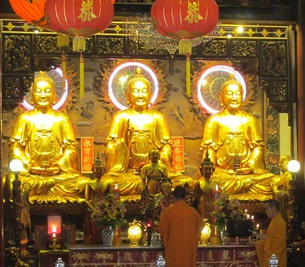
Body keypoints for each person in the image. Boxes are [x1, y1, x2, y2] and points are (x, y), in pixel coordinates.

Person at [104, 68, 189, 198]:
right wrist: (122, 146)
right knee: (110, 184)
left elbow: (166, 147)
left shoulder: (157, 117)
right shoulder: (121, 117)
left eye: (144, 91)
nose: (140, 95)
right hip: (127, 172)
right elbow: (111, 146)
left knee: (184, 182)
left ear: (150, 94)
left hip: (155, 173)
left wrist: (157, 166)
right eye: (136, 91)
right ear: (128, 95)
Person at [7, 72, 88, 201]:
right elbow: (15, 149)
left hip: (57, 175)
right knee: (11, 184)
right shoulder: (25, 119)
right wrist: (28, 164)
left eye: (47, 91)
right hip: (31, 175)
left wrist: (59, 164)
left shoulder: (62, 119)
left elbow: (70, 149)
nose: (43, 95)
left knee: (84, 185)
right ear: (32, 95)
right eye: (38, 91)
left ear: (54, 95)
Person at [200, 74, 277, 200]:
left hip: (246, 174)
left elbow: (257, 148)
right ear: (221, 96)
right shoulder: (214, 120)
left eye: (238, 94)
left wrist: (250, 166)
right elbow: (209, 150)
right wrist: (209, 172)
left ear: (243, 96)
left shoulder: (249, 120)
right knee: (209, 184)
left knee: (274, 181)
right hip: (223, 174)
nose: (235, 97)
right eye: (230, 93)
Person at [158, 186, 204, 267]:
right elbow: (199, 230)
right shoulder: (193, 212)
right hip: (188, 250)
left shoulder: (168, 212)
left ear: (173, 197)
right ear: (186, 197)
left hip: (173, 250)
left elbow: (162, 230)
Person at [253, 199, 288, 267]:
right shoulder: (274, 221)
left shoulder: (280, 222)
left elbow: (279, 243)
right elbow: (271, 240)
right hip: (272, 256)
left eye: (267, 209)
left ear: (273, 208)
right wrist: (257, 242)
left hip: (277, 257)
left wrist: (263, 238)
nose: (266, 211)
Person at [84, 157, 112, 244]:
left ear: (104, 170)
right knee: (93, 226)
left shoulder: (108, 182)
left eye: (100, 169)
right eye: (96, 169)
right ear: (92, 170)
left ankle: (106, 241)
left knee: (105, 225)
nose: (98, 171)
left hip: (105, 207)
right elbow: (86, 199)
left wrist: (107, 207)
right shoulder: (89, 183)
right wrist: (94, 209)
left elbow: (111, 196)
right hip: (93, 206)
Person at [192, 153, 220, 221]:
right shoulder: (198, 183)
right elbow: (194, 199)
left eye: (210, 169)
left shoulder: (216, 183)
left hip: (213, 207)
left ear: (213, 170)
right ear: (201, 170)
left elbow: (219, 197)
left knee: (213, 223)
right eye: (205, 169)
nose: (208, 171)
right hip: (202, 207)